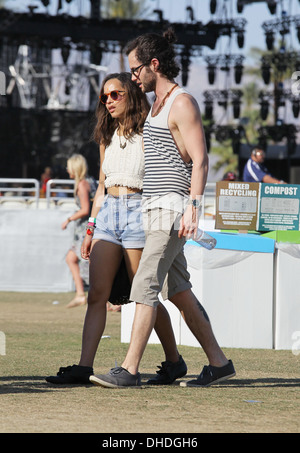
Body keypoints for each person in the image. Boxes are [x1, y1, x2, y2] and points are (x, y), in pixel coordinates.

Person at [89, 29, 235, 389]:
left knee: (145, 283)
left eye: (136, 69)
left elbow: (200, 160)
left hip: (171, 209)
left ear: (154, 64)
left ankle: (129, 369)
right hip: (151, 209)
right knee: (178, 291)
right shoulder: (156, 103)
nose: (133, 76)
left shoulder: (182, 102)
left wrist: (193, 208)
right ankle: (218, 363)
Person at [46, 72, 186, 385]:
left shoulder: (151, 129)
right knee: (97, 293)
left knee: (143, 293)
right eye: (104, 97)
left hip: (140, 211)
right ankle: (84, 367)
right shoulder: (106, 136)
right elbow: (100, 186)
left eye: (115, 95)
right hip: (109, 213)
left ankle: (174, 361)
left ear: (131, 95)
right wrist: (91, 225)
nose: (108, 101)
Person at [62, 154, 97, 308]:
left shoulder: (82, 184)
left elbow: (85, 210)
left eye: (69, 167)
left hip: (85, 229)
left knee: (89, 264)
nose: (67, 170)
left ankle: (102, 297)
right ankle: (80, 294)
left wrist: (69, 219)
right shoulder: (92, 181)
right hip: (90, 227)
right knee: (71, 258)